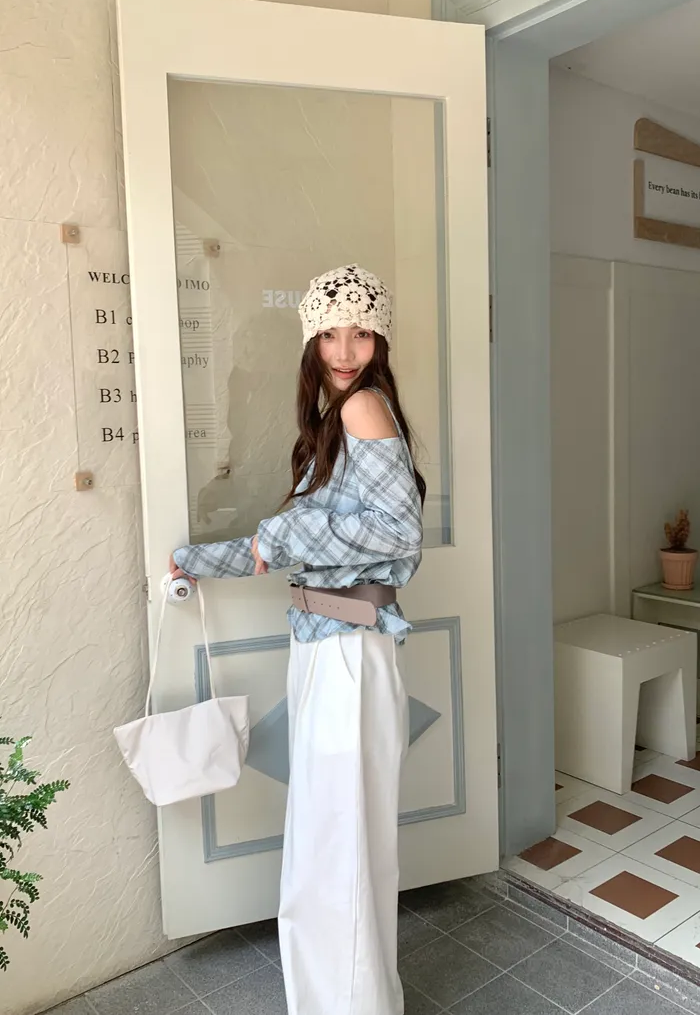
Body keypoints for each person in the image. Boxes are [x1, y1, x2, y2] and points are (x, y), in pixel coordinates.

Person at [170, 264, 424, 1015]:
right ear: (311, 340)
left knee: (337, 849)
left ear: (380, 340)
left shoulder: (363, 408)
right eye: (330, 334)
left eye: (361, 333)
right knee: (332, 844)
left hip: (348, 652)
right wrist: (198, 560)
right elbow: (284, 547)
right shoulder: (334, 420)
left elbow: (398, 533)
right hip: (329, 646)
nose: (345, 350)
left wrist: (281, 534)